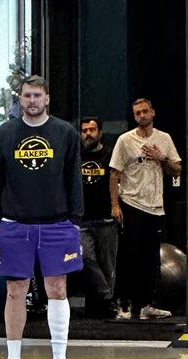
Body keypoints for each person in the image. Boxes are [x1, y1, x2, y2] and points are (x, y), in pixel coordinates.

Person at [0, 74, 83, 359]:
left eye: (37, 95)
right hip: (15, 223)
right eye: (27, 95)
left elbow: (73, 177)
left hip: (57, 223)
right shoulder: (6, 133)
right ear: (20, 99)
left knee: (57, 289)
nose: (32, 101)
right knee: (15, 290)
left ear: (47, 99)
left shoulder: (65, 133)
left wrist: (75, 219)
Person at [110, 98, 182, 320]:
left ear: (153, 112)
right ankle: (124, 304)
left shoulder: (164, 139)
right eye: (137, 113)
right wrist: (115, 205)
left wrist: (162, 158)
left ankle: (147, 305)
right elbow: (114, 173)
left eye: (144, 111)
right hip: (131, 203)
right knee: (129, 256)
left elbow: (176, 170)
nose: (141, 115)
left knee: (151, 259)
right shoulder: (125, 140)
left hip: (155, 206)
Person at [77, 117, 118, 318]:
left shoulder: (110, 154)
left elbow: (117, 181)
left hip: (106, 218)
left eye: (92, 130)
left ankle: (101, 307)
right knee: (85, 258)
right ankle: (106, 297)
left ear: (100, 133)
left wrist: (116, 206)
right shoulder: (75, 156)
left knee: (107, 265)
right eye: (84, 130)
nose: (88, 134)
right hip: (82, 219)